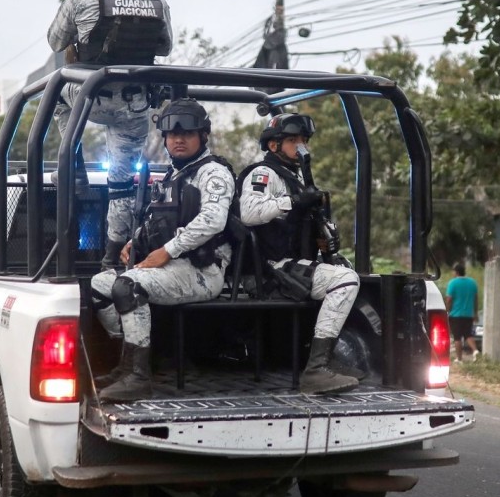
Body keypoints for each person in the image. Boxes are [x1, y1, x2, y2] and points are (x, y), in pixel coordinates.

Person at [47, 0, 174, 268]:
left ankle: (73, 165)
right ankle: (112, 256)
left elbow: (55, 42)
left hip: (90, 98)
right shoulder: (157, 1)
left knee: (54, 93)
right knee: (121, 186)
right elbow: (165, 47)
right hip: (134, 106)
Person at [90, 99, 232, 402]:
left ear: (203, 136)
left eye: (188, 133)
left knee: (128, 285)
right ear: (165, 139)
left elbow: (213, 220)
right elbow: (159, 221)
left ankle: (138, 378)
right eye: (172, 135)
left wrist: (166, 251)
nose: (178, 140)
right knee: (99, 286)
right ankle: (131, 363)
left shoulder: (213, 173)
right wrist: (135, 243)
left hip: (203, 270)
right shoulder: (172, 176)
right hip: (172, 269)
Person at [238, 112, 361, 394]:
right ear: (273, 146)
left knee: (346, 269)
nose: (301, 146)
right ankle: (316, 369)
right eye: (293, 140)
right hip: (268, 269)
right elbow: (249, 213)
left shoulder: (296, 177)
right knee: (344, 281)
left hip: (291, 264)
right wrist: (294, 201)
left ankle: (323, 361)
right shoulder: (263, 173)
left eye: (304, 140)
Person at [444, 262, 479, 363]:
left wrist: (447, 310)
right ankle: (475, 350)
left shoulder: (453, 283)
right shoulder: (472, 283)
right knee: (468, 334)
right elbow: (476, 299)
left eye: (453, 271)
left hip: (456, 315)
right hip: (468, 314)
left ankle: (459, 359)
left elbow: (449, 299)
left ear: (456, 272)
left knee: (457, 337)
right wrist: (475, 313)